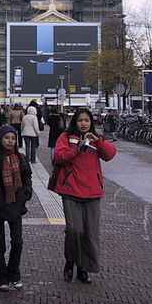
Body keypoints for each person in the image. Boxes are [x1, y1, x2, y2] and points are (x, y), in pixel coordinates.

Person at [51, 108, 117, 284]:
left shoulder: (96, 140)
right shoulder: (66, 138)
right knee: (75, 230)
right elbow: (59, 157)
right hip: (71, 190)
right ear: (75, 122)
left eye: (87, 120)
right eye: (80, 120)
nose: (83, 123)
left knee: (90, 232)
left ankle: (83, 268)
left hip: (92, 191)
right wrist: (77, 149)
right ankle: (70, 260)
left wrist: (99, 142)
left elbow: (110, 154)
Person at [0, 125, 32, 292]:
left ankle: (14, 274)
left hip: (16, 205)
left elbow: (27, 177)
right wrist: (8, 209)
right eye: (7, 138)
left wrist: (25, 195)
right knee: (0, 244)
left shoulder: (20, 158)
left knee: (17, 242)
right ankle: (1, 279)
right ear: (0, 139)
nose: (10, 141)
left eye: (13, 138)